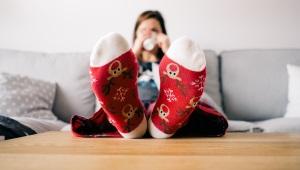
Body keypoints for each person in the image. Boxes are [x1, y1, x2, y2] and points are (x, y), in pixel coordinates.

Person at [71, 10, 228, 139]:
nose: (149, 34)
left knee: (187, 105)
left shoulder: (175, 64)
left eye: (155, 30)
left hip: (168, 106)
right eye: (143, 30)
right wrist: (134, 52)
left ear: (163, 35)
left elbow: (199, 95)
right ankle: (137, 123)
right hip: (129, 105)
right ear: (136, 36)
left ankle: (158, 123)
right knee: (115, 106)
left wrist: (169, 51)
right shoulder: (125, 63)